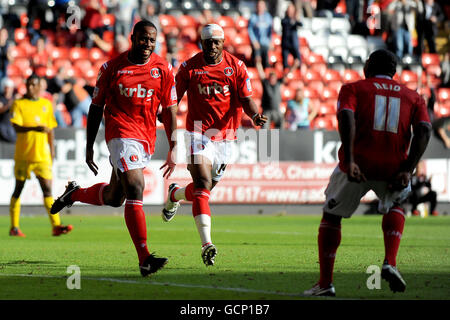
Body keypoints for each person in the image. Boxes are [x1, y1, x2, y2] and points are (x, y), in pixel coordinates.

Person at [50, 20, 178, 277]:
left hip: (145, 137)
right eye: (143, 39)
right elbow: (96, 107)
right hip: (119, 132)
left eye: (152, 40)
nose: (147, 45)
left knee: (114, 197)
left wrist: (174, 145)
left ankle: (74, 194)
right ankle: (144, 258)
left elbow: (170, 109)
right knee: (136, 185)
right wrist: (89, 146)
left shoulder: (163, 69)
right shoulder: (112, 68)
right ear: (132, 38)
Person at [303, 49, 431, 296]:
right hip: (394, 167)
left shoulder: (353, 89)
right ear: (394, 71)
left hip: (358, 164)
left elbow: (346, 118)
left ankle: (325, 283)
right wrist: (408, 169)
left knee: (331, 216)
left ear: (368, 67)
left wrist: (350, 160)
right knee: (395, 205)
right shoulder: (414, 97)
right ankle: (390, 262)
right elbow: (424, 131)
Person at [161, 24, 267, 267]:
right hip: (198, 132)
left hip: (226, 137)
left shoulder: (236, 67)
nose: (211, 46)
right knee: (203, 184)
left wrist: (254, 115)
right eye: (207, 42)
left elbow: (246, 99)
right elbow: (173, 99)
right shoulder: (190, 67)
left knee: (204, 191)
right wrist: (166, 112)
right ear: (201, 43)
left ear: (222, 43)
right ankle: (206, 243)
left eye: (215, 42)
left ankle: (175, 194)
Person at [9, 74, 73, 237]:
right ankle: (14, 227)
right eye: (28, 85)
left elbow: (50, 130)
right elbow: (17, 128)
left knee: (47, 189)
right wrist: (35, 129)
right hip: (24, 154)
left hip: (42, 154)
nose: (30, 88)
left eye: (33, 85)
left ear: (39, 87)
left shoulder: (46, 104)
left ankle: (56, 225)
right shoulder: (19, 103)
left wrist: (52, 150)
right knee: (18, 189)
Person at [256, 59, 284, 129]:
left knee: (282, 122)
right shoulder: (266, 83)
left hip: (276, 110)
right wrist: (258, 64)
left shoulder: (278, 84)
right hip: (267, 110)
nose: (272, 79)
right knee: (264, 127)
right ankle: (264, 139)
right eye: (271, 78)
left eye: (273, 78)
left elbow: (287, 75)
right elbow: (261, 73)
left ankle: (281, 138)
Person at [248, 0, 273, 68]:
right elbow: (250, 30)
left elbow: (270, 31)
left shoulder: (268, 17)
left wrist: (270, 41)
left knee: (267, 61)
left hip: (265, 43)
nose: (260, 8)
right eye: (259, 6)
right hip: (257, 44)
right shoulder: (253, 17)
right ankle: (260, 76)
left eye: (262, 6)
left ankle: (266, 76)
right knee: (257, 60)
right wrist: (254, 41)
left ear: (264, 7)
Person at [281, 3, 302, 76]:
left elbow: (300, 24)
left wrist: (296, 18)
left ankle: (295, 74)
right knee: (285, 64)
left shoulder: (294, 21)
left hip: (293, 44)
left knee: (298, 60)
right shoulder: (284, 20)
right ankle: (286, 75)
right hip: (286, 44)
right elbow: (288, 23)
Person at [0, 77, 17, 143]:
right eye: (6, 87)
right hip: (2, 125)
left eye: (10, 87)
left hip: (11, 125)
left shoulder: (14, 98)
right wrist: (8, 105)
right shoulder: (1, 98)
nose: (8, 90)